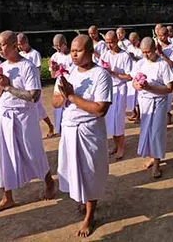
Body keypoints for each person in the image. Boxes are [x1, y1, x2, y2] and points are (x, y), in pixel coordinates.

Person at [0, 30, 55, 215]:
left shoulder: (27, 67)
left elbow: (34, 96)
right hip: (5, 115)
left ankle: (50, 182)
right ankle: (6, 198)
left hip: (24, 116)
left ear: (14, 45)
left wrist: (9, 87)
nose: (0, 49)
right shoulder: (0, 67)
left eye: (3, 45)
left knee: (32, 151)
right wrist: (0, 85)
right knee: (2, 156)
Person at [52, 34, 112, 238]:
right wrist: (62, 93)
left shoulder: (101, 75)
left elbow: (99, 109)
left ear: (90, 51)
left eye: (79, 51)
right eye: (72, 50)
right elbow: (54, 102)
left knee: (90, 172)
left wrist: (71, 96)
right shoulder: (67, 73)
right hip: (69, 128)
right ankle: (82, 200)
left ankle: (90, 215)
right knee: (72, 170)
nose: (74, 54)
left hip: (89, 130)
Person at [132, 37, 173, 178]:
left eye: (148, 52)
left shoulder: (163, 65)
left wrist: (150, 87)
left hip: (159, 102)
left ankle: (157, 163)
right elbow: (133, 81)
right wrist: (137, 85)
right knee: (147, 130)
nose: (145, 55)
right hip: (144, 102)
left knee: (157, 131)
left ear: (154, 49)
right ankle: (152, 156)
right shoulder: (140, 63)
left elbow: (169, 88)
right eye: (143, 52)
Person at [101, 31, 133, 160]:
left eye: (112, 42)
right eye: (107, 42)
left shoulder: (124, 56)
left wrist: (113, 72)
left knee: (118, 119)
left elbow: (129, 76)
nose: (109, 45)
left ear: (117, 41)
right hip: (109, 90)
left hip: (120, 89)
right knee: (109, 119)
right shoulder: (105, 54)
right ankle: (115, 144)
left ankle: (121, 147)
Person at [17, 33, 55, 138]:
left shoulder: (34, 54)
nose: (19, 47)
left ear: (26, 42)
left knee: (38, 108)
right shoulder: (20, 54)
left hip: (34, 86)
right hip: (23, 87)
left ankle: (50, 126)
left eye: (21, 44)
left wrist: (30, 79)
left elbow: (37, 69)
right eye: (18, 44)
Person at [49, 34, 73, 136]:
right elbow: (53, 76)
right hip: (59, 86)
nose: (57, 48)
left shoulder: (72, 55)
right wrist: (54, 69)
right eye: (55, 46)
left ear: (65, 44)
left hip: (70, 85)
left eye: (59, 45)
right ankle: (59, 130)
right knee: (58, 109)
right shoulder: (55, 56)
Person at [156, 26, 173, 125]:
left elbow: (172, 64)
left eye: (163, 36)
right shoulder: (156, 46)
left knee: (168, 98)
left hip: (168, 76)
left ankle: (168, 114)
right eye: (159, 36)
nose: (161, 38)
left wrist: (162, 54)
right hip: (157, 75)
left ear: (167, 35)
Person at [126, 32, 143, 123]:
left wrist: (135, 57)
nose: (132, 43)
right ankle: (134, 112)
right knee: (131, 96)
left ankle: (139, 115)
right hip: (131, 74)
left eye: (134, 41)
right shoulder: (129, 48)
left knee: (138, 97)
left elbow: (144, 60)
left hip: (139, 75)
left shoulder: (141, 49)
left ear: (138, 39)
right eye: (131, 41)